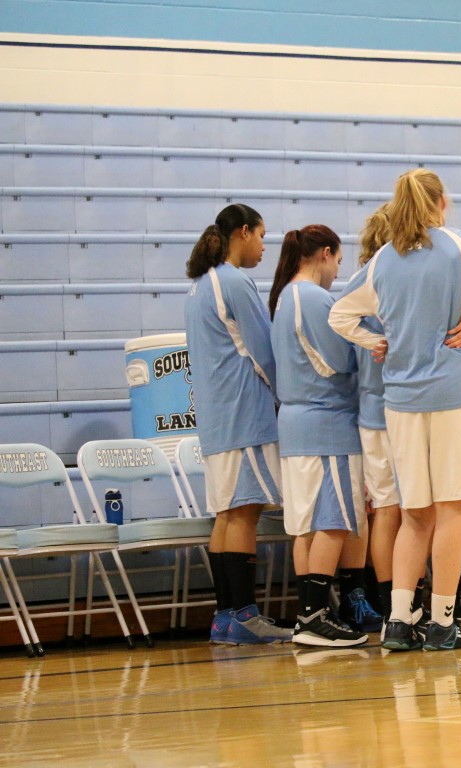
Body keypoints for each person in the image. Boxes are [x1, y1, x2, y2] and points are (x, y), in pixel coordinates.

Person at [329, 169, 461, 651]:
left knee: (414, 515)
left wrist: (373, 341)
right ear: (441, 201)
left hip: (401, 401)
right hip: (456, 393)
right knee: (453, 510)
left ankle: (398, 622)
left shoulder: (383, 259)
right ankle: (442, 623)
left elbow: (339, 313)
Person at [184, 203, 293, 645]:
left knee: (226, 515)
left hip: (216, 419)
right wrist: (288, 397)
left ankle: (226, 616)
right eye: (262, 236)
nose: (264, 246)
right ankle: (246, 615)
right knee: (245, 513)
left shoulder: (198, 286)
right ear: (243, 232)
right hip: (244, 414)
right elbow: (264, 352)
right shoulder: (234, 282)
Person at [268, 225, 368, 647]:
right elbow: (341, 359)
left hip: (296, 424)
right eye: (338, 261)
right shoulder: (313, 298)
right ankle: (314, 618)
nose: (337, 271)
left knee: (307, 527)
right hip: (326, 422)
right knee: (334, 520)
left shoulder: (284, 297)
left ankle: (309, 614)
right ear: (325, 253)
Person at [338, 204, 405, 635]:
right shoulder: (397, 281)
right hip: (400, 409)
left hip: (367, 411)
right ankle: (408, 602)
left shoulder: (354, 285)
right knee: (413, 512)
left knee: (384, 512)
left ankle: (388, 606)